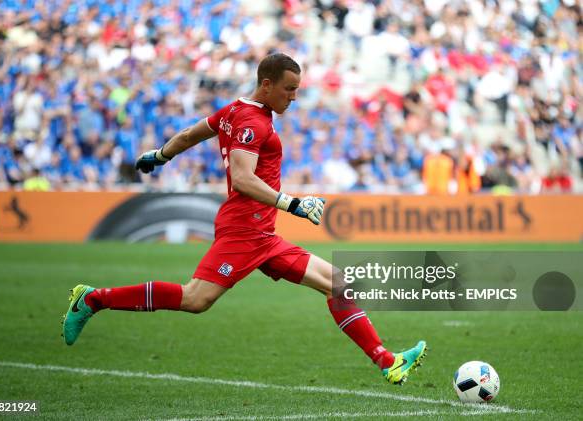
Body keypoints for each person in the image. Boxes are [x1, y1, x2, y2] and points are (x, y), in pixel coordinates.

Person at [62, 53, 427, 385]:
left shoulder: (235, 110)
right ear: (266, 85)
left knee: (337, 283)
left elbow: (191, 134)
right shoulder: (253, 122)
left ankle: (386, 360)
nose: (294, 97)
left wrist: (161, 155)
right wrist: (292, 203)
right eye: (289, 89)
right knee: (195, 299)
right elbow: (242, 177)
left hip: (262, 234)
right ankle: (93, 299)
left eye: (297, 89)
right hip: (243, 230)